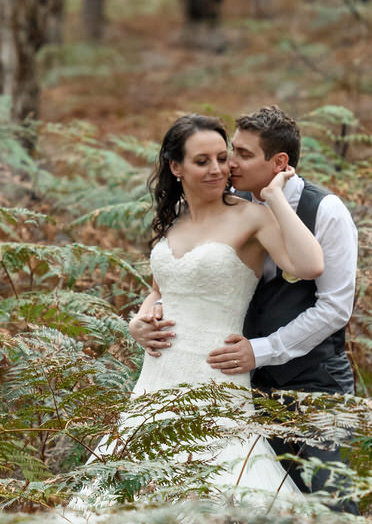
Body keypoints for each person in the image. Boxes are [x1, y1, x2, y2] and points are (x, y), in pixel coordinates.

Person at [131, 105, 358, 503]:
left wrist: (261, 350)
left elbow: (333, 307)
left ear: (279, 163)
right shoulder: (197, 209)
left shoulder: (321, 211)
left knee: (326, 497)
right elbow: (166, 287)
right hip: (208, 372)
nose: (227, 166)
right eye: (219, 155)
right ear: (176, 167)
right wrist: (140, 319)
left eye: (237, 155)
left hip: (306, 378)